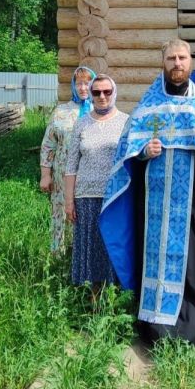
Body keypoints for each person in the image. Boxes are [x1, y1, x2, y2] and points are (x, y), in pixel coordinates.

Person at [99, 39, 195, 345]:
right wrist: (143, 151)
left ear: (190, 60)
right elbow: (128, 152)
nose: (177, 63)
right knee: (152, 262)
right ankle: (154, 327)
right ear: (163, 62)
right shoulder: (150, 103)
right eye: (171, 58)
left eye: (182, 58)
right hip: (155, 204)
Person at [64, 74, 128, 288]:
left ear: (114, 93)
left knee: (113, 245)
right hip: (85, 197)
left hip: (115, 196)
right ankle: (92, 297)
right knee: (91, 248)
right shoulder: (82, 124)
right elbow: (71, 165)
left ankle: (116, 296)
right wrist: (69, 202)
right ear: (90, 94)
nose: (102, 96)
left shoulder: (126, 122)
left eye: (107, 91)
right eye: (97, 92)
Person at [39, 65, 96, 254]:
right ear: (73, 86)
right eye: (79, 83)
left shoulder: (100, 112)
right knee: (60, 213)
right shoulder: (61, 111)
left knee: (86, 215)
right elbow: (49, 144)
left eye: (87, 83)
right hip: (61, 177)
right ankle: (57, 258)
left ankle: (81, 259)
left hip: (90, 177)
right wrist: (45, 175)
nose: (83, 88)